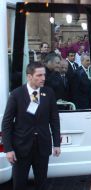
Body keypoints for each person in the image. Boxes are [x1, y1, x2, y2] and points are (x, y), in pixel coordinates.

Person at [1, 62, 61, 190]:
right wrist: (8, 149)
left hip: (42, 146)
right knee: (19, 184)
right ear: (29, 76)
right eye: (39, 75)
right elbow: (6, 123)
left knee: (42, 184)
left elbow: (54, 120)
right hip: (21, 148)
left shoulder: (48, 93)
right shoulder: (17, 94)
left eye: (44, 75)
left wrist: (56, 144)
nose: (43, 78)